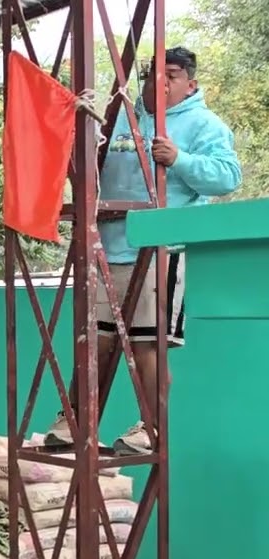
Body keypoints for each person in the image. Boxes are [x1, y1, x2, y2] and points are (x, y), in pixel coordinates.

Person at [46, 46, 241, 455]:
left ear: (191, 84)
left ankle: (149, 427)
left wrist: (180, 159)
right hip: (109, 248)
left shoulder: (204, 124)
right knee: (95, 342)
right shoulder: (121, 117)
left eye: (172, 74)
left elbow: (227, 177)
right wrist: (79, 124)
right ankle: (75, 421)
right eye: (155, 72)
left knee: (147, 344)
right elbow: (85, 165)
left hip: (160, 249)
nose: (161, 81)